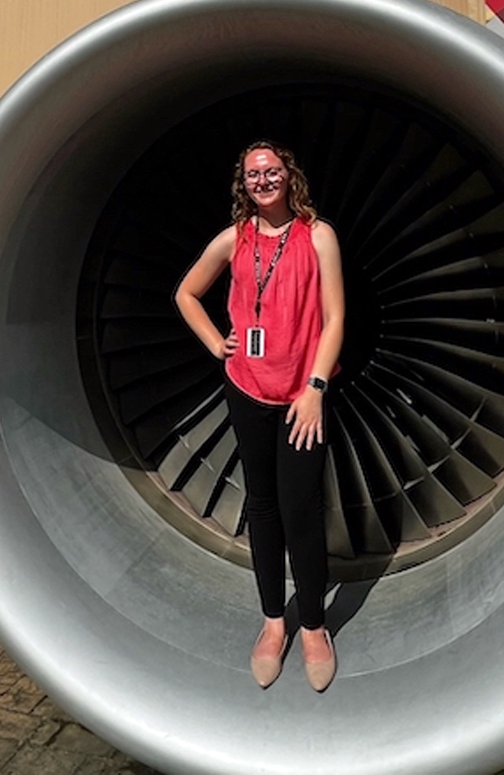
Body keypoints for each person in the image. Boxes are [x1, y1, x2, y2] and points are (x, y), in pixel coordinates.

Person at [174, 140, 344, 692]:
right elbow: (187, 294)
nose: (263, 180)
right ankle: (275, 622)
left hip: (301, 399)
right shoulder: (234, 239)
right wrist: (214, 345)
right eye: (253, 174)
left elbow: (336, 317)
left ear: (287, 175)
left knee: (301, 510)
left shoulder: (318, 236)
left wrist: (316, 387)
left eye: (271, 171)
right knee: (264, 508)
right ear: (243, 183)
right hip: (247, 390)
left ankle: (313, 626)